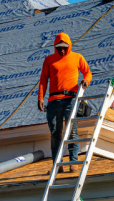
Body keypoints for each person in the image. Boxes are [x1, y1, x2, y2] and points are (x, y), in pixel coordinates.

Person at [38, 32, 92, 167]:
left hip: (71, 99)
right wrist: (40, 97)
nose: (62, 50)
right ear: (55, 47)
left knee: (71, 131)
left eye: (64, 47)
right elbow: (43, 80)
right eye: (59, 47)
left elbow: (88, 72)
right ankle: (57, 165)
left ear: (69, 46)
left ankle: (73, 162)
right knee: (55, 132)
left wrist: (85, 81)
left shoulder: (77, 57)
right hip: (54, 100)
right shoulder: (49, 60)